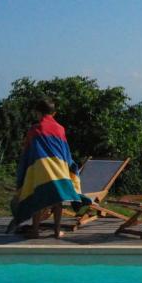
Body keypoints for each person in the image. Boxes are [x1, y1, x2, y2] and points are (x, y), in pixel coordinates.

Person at [7, 97, 91, 238]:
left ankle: (35, 231)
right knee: (58, 201)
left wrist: (24, 170)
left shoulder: (34, 130)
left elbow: (27, 153)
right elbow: (65, 152)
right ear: (54, 113)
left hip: (41, 169)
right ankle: (57, 232)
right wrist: (71, 167)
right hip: (59, 168)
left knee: (37, 199)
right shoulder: (60, 129)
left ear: (38, 113)